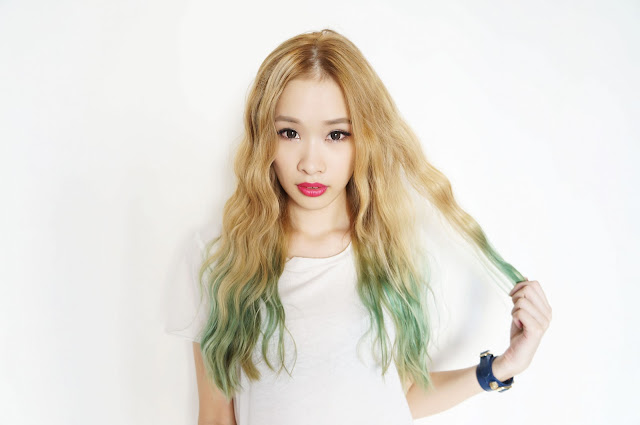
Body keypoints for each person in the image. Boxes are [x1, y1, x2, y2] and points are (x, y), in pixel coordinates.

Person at [166, 28, 552, 425]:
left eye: (336, 134)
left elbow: (396, 398)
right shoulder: (220, 258)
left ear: (363, 139)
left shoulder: (388, 249)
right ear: (264, 136)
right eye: (289, 133)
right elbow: (216, 417)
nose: (311, 163)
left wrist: (501, 368)